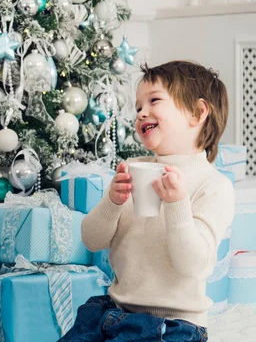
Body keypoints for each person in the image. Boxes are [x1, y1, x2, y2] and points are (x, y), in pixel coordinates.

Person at [61, 61, 235, 342]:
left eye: (154, 100)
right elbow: (91, 241)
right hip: (115, 311)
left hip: (175, 325)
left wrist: (177, 204)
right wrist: (112, 202)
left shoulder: (213, 186)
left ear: (198, 112)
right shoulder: (132, 168)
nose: (142, 113)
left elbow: (194, 265)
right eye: (138, 106)